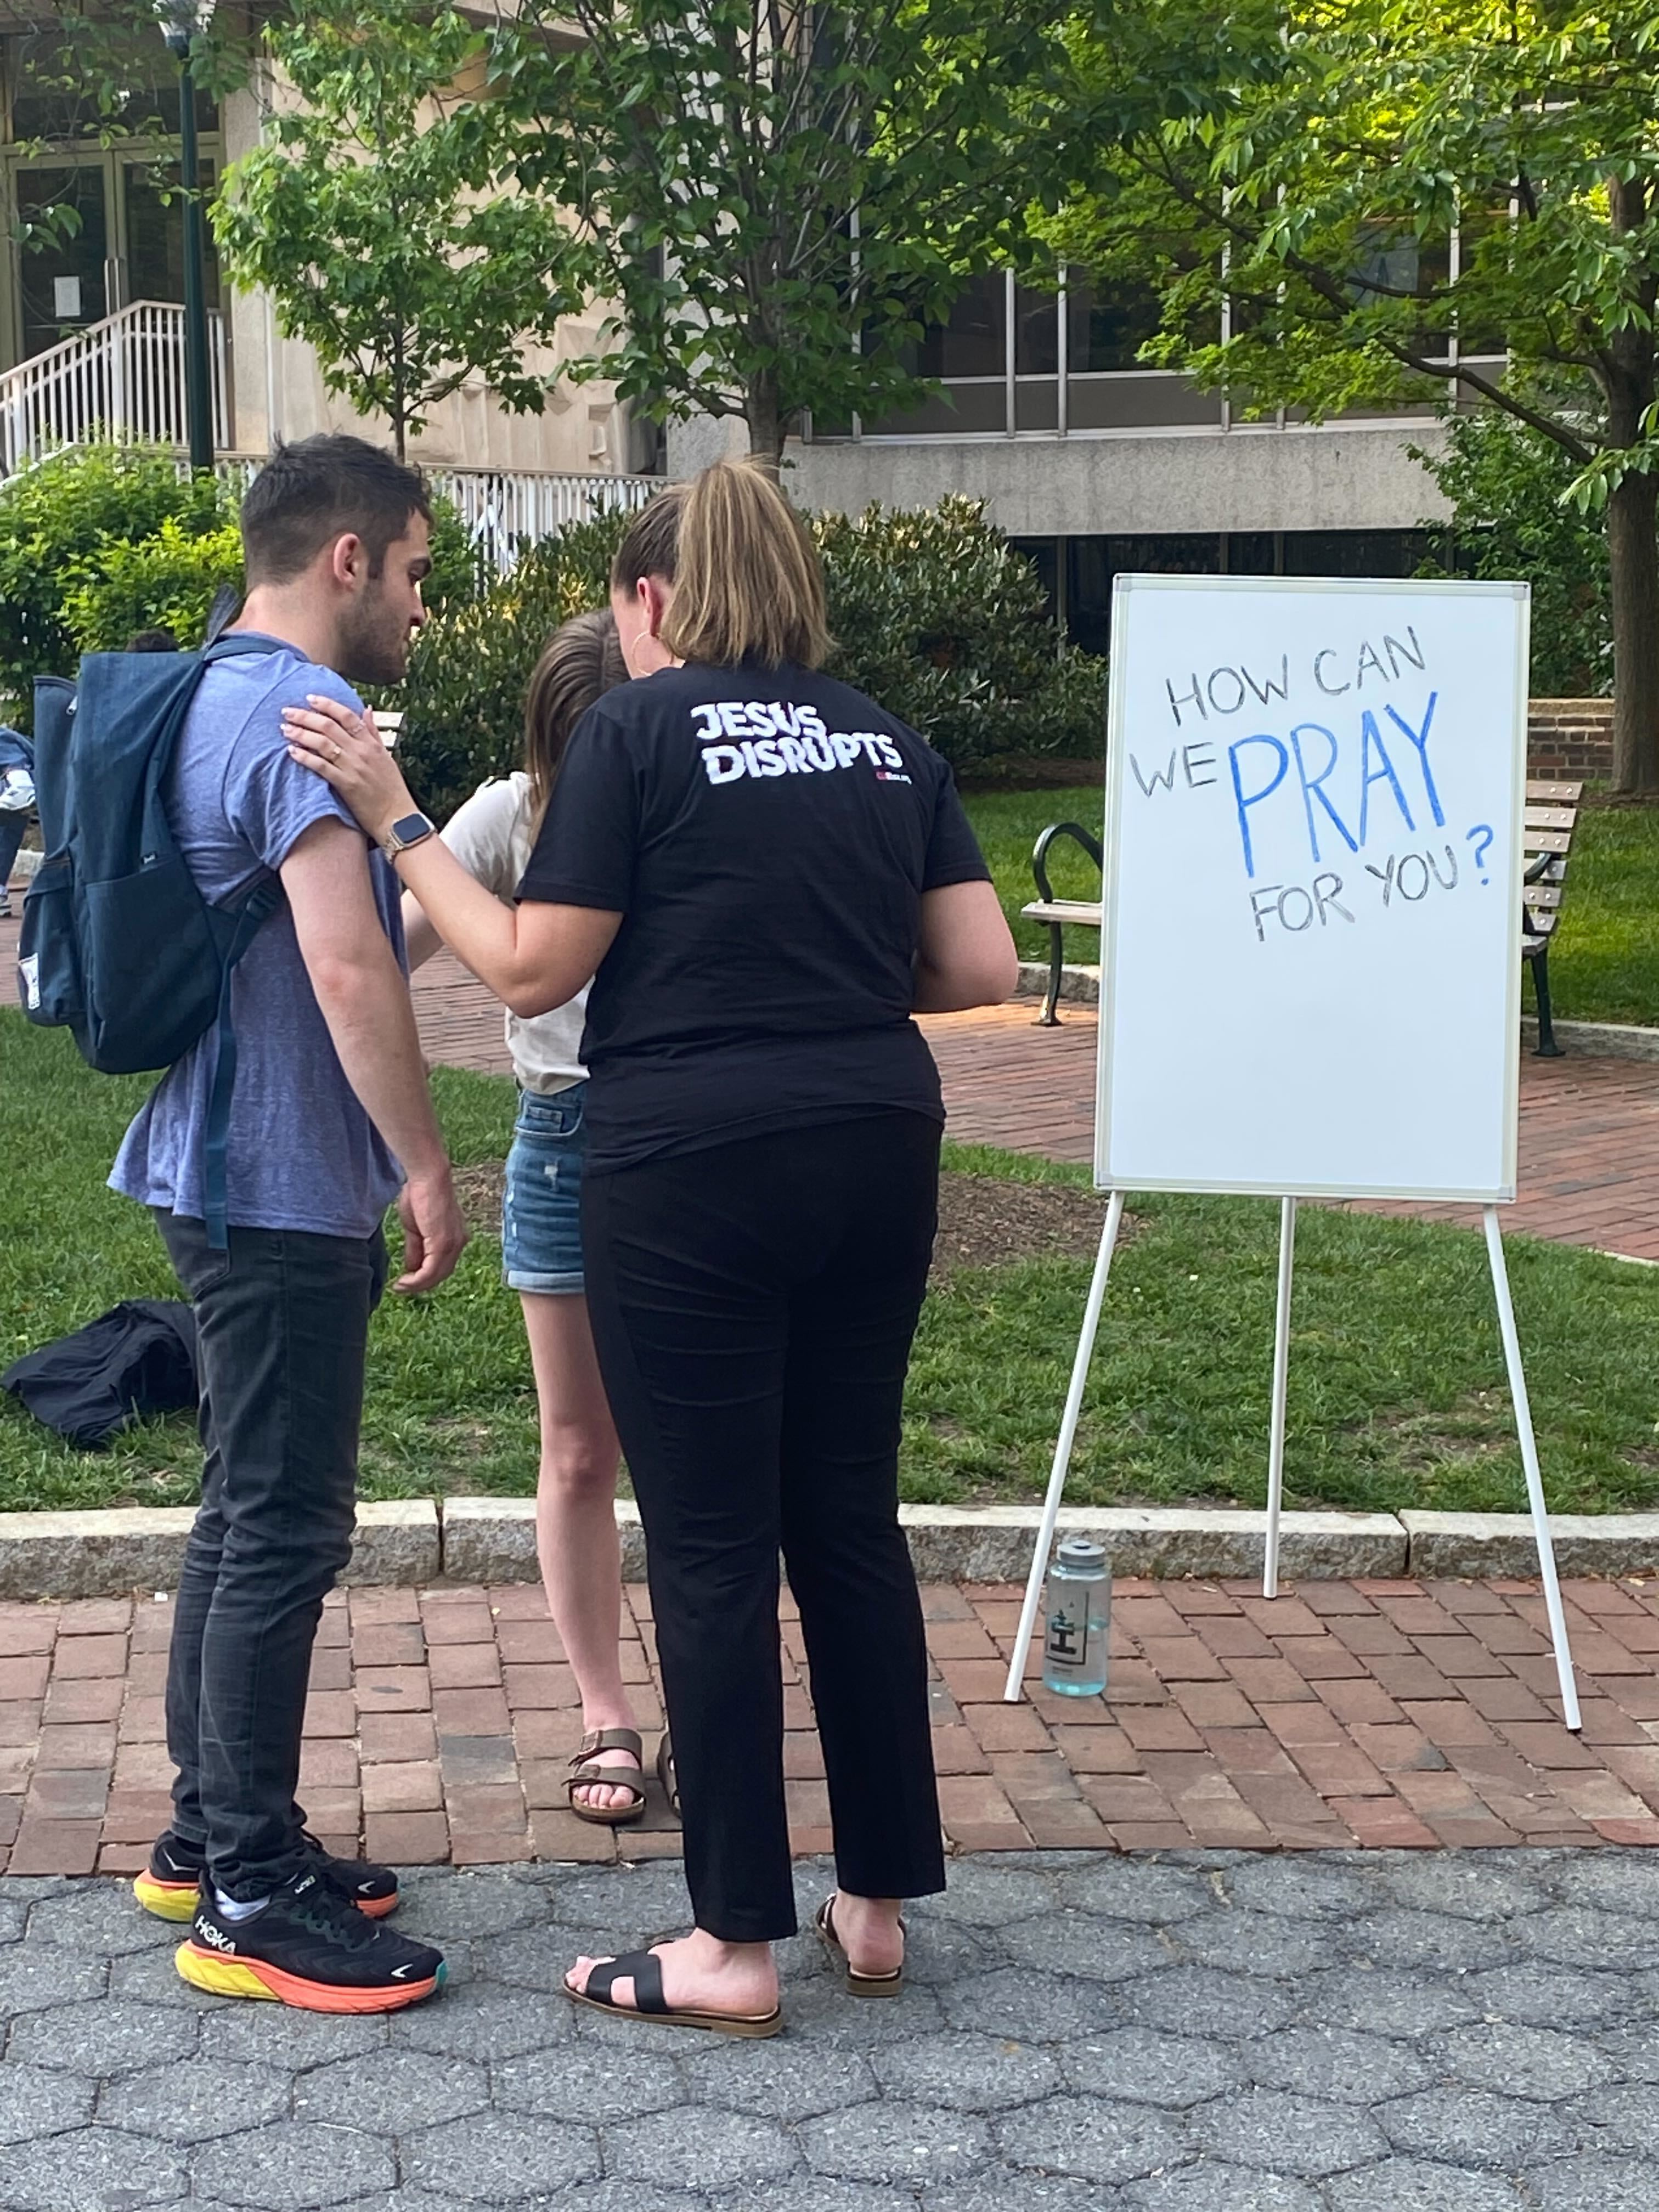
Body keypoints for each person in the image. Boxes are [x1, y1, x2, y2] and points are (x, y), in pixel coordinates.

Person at [282, 456, 1018, 2037]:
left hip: (690, 1162)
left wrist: (395, 818)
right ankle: (876, 1909)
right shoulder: (884, 740)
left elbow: (531, 971)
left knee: (705, 1541)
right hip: (876, 1138)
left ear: (646, 600)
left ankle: (731, 1943)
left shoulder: (633, 728)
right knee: (846, 1519)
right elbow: (976, 962)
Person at [117, 433, 467, 2013]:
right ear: (348, 559)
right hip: (274, 1181)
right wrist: (424, 1163)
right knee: (284, 1525)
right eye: (410, 572)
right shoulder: (297, 721)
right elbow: (347, 970)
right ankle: (250, 1893)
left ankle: (212, 1837)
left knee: (241, 1507)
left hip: (213, 1162)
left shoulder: (210, 689)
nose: (415, 602)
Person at [402, 609, 647, 1821]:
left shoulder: (689, 795)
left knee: (703, 1452)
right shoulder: (512, 813)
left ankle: (714, 1705)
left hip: (683, 1140)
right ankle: (607, 1711)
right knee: (578, 1447)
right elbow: (385, 945)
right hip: (560, 1137)